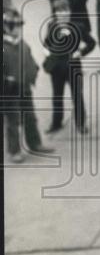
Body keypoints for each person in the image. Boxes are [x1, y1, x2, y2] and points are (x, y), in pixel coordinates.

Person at [3, 8, 55, 162]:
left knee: (30, 116)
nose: (18, 29)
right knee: (13, 121)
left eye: (20, 25)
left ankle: (35, 143)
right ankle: (14, 151)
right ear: (6, 27)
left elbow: (29, 59)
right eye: (15, 26)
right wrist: (6, 81)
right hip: (9, 90)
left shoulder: (23, 44)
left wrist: (34, 70)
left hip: (24, 86)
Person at [42, 0, 97, 134]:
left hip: (73, 67)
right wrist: (47, 51)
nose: (63, 14)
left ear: (70, 11)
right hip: (56, 67)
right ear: (55, 13)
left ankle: (81, 124)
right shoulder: (52, 26)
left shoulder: (78, 27)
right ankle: (56, 123)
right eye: (59, 11)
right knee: (57, 96)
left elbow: (92, 43)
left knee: (77, 95)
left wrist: (81, 52)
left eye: (65, 10)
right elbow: (47, 42)